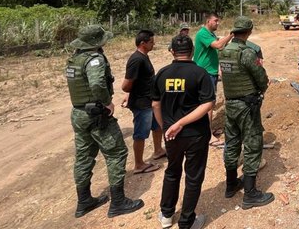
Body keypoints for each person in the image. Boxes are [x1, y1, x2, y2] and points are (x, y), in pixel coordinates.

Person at [65, 25, 144, 218]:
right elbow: (97, 83)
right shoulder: (95, 59)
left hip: (79, 114)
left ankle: (84, 201)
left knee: (84, 156)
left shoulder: (74, 59)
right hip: (96, 114)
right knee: (117, 153)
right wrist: (107, 102)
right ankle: (118, 202)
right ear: (96, 42)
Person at [152, 34, 215, 229]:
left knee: (172, 171)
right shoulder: (200, 73)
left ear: (172, 51)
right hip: (196, 133)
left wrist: (166, 127)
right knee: (193, 176)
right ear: (193, 51)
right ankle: (187, 222)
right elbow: (208, 104)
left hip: (172, 135)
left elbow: (155, 104)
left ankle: (166, 215)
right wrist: (182, 123)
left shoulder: (162, 74)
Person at [219, 16, 274, 209]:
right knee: (252, 144)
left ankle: (231, 184)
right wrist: (263, 87)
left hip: (230, 104)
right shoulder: (247, 52)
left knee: (232, 143)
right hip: (246, 106)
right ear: (249, 31)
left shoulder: (224, 51)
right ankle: (250, 194)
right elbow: (260, 76)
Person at [121, 29, 165, 174]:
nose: (154, 44)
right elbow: (126, 85)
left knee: (157, 126)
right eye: (151, 42)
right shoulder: (137, 59)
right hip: (141, 103)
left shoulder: (144, 56)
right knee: (141, 133)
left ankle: (158, 150)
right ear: (142, 43)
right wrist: (130, 94)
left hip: (149, 100)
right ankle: (139, 164)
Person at [193, 13, 232, 146]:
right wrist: (231, 35)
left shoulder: (211, 34)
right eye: (215, 21)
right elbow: (217, 45)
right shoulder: (203, 33)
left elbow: (219, 48)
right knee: (207, 104)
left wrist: (219, 69)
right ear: (208, 21)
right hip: (204, 72)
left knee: (210, 102)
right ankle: (207, 134)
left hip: (211, 72)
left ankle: (208, 129)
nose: (217, 23)